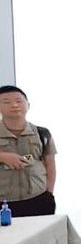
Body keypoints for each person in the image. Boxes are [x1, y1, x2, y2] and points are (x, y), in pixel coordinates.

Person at [0, 85, 57, 216]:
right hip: (3, 201)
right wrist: (3, 157)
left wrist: (49, 192)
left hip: (38, 198)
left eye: (19, 101)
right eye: (6, 102)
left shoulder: (42, 133)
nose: (14, 105)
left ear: (28, 105)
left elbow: (50, 164)